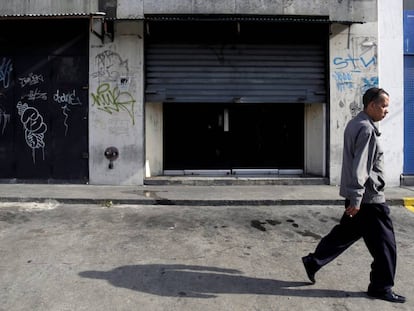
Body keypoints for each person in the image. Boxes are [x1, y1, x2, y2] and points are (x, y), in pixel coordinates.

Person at [302, 87, 406, 303]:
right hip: (369, 200)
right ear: (371, 105)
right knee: (386, 246)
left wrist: (353, 197)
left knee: (345, 233)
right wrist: (358, 199)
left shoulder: (355, 123)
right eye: (384, 106)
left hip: (357, 197)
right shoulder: (367, 129)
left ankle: (313, 261)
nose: (387, 110)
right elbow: (361, 167)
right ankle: (381, 287)